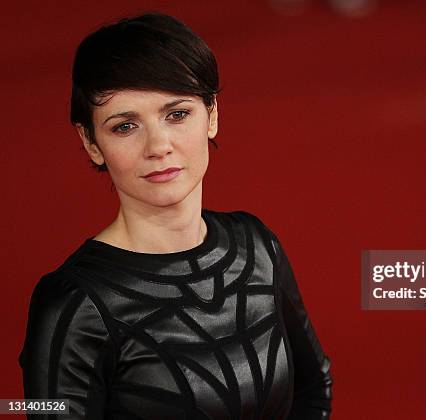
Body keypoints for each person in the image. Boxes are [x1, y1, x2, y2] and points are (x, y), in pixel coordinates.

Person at [18, 12, 332, 419]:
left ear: (212, 115)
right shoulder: (70, 304)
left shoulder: (258, 246)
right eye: (126, 126)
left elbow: (314, 387)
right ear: (91, 142)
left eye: (177, 114)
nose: (158, 146)